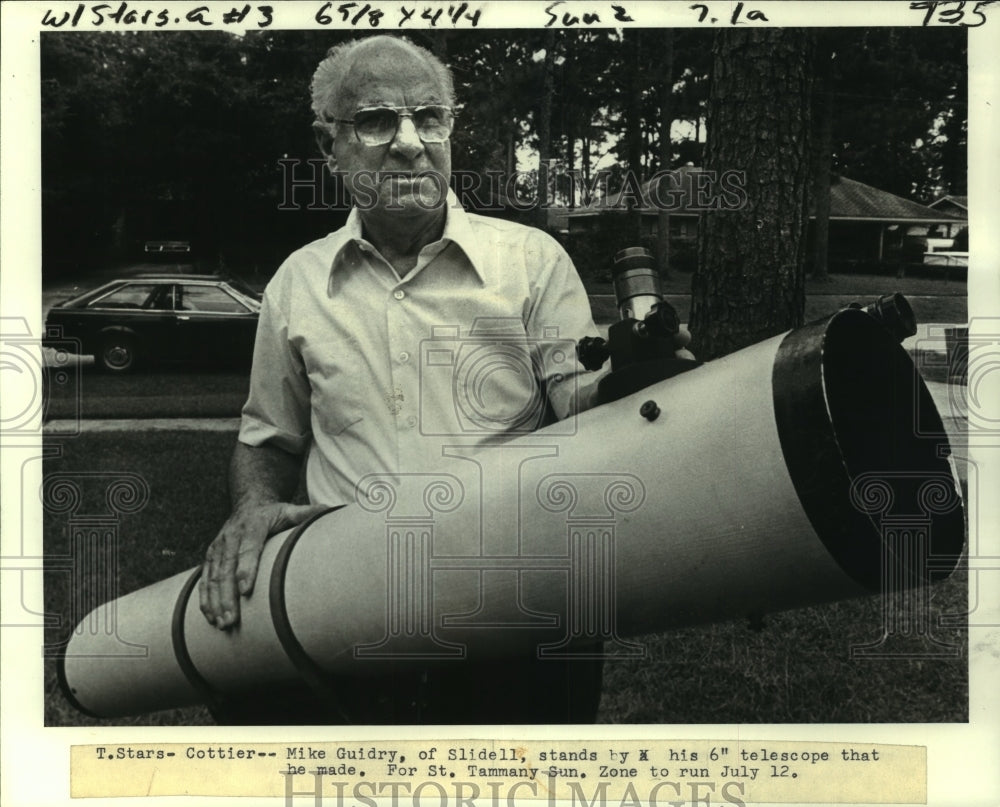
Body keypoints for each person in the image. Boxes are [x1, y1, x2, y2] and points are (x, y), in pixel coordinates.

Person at [198, 35, 679, 725]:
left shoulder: (532, 262)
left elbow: (579, 398)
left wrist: (630, 377)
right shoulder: (295, 284)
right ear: (327, 143)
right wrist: (251, 510)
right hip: (349, 604)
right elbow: (270, 439)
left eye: (429, 117)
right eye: (375, 121)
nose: (408, 143)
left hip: (523, 610)